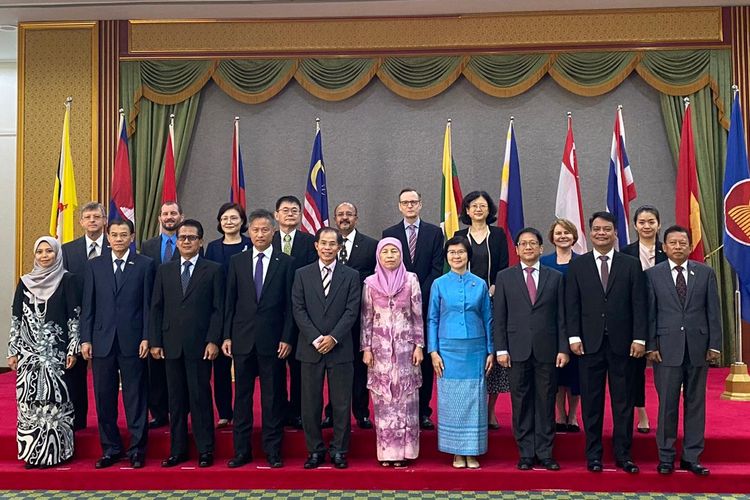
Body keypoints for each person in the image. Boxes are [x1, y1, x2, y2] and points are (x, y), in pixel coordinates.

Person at [566, 211, 647, 474]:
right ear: (590, 233)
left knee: (623, 402)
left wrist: (639, 338)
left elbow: (639, 303)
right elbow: (572, 304)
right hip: (588, 344)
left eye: (607, 229)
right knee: (592, 402)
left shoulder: (630, 264)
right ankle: (594, 456)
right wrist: (574, 336)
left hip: (624, 344)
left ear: (615, 233)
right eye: (597, 229)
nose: (601, 233)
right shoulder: (578, 265)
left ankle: (624, 455)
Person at [645, 225, 721, 476]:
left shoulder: (705, 273)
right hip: (666, 349)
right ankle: (666, 456)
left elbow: (713, 311)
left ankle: (692, 456)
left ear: (690, 247)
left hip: (698, 347)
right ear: (664, 247)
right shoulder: (652, 275)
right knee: (667, 403)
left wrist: (714, 344)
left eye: (682, 243)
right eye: (673, 243)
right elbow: (650, 314)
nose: (678, 247)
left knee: (695, 403)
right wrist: (651, 345)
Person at [223, 209, 295, 469]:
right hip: (242, 340)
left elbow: (290, 306)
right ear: (249, 232)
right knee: (241, 399)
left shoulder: (285, 262)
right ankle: (241, 451)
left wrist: (287, 338)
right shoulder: (237, 261)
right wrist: (227, 336)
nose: (260, 234)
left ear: (273, 232)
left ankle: (273, 450)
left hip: (274, 342)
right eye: (256, 230)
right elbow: (229, 303)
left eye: (265, 230)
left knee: (273, 398)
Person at [80, 218, 154, 469]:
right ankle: (110, 448)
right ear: (107, 237)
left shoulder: (145, 265)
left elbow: (148, 306)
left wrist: (147, 335)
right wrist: (86, 338)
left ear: (132, 237)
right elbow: (88, 306)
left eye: (124, 234)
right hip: (102, 341)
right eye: (114, 234)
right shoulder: (94, 266)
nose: (119, 239)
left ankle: (137, 450)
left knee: (135, 397)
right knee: (104, 398)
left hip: (134, 341)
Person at [150, 219, 224, 468]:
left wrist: (213, 340)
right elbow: (156, 308)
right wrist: (156, 341)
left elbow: (218, 309)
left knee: (200, 397)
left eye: (192, 237)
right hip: (170, 345)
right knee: (176, 399)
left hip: (200, 346)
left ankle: (205, 449)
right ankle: (178, 449)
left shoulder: (213, 269)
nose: (186, 241)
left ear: (201, 241)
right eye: (182, 237)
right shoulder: (165, 270)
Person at [494, 227, 568, 471]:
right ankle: (526, 452)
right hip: (516, 350)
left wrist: (563, 348)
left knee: (546, 400)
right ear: (516, 249)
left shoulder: (555, 277)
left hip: (547, 350)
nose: (528, 247)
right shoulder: (505, 277)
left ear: (540, 248)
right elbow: (500, 316)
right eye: (523, 243)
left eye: (532, 243)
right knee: (521, 401)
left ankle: (545, 452)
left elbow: (561, 317)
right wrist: (501, 349)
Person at [291, 227, 361, 470]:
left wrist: (333, 337)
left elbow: (352, 310)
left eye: (333, 244)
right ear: (316, 246)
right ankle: (315, 450)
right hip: (310, 348)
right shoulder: (302, 274)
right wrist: (315, 338)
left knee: (341, 403)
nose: (328, 248)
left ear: (339, 247)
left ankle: (340, 450)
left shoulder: (351, 275)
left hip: (340, 348)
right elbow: (298, 308)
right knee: (310, 403)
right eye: (324, 243)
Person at [8, 236, 80, 468]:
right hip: (28, 355)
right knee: (30, 404)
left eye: (49, 251)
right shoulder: (25, 282)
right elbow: (16, 318)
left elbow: (74, 317)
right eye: (40, 251)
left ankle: (57, 453)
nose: (44, 255)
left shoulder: (67, 280)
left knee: (55, 402)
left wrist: (73, 348)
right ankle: (33, 453)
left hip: (56, 355)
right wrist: (13, 350)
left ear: (57, 254)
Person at [427, 236, 493, 469]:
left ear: (468, 255)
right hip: (447, 350)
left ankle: (472, 451)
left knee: (475, 400)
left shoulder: (480, 284)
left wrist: (490, 350)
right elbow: (432, 318)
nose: (456, 256)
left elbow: (488, 318)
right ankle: (456, 452)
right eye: (452, 252)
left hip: (475, 349)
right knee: (450, 400)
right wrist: (433, 351)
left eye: (461, 252)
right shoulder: (439, 284)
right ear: (447, 257)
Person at [383, 188, 443, 430]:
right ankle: (399, 407)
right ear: (399, 206)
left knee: (423, 360)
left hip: (425, 304)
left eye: (414, 202)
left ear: (420, 204)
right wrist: (402, 294)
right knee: (398, 360)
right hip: (395, 308)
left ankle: (423, 411)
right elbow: (388, 267)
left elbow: (438, 267)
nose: (409, 206)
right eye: (405, 202)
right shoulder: (390, 233)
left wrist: (418, 292)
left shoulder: (434, 233)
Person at [360, 237, 424, 466]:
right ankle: (387, 453)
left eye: (394, 252)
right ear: (378, 255)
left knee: (406, 400)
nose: (389, 256)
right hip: (380, 353)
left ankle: (405, 452)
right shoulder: (370, 282)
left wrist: (419, 346)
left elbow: (417, 316)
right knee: (384, 401)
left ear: (401, 255)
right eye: (385, 251)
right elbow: (366, 318)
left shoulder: (410, 280)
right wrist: (366, 348)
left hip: (407, 351)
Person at [455, 190, 509, 430]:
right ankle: (469, 409)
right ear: (466, 210)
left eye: (483, 205)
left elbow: (503, 266)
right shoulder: (459, 235)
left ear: (489, 210)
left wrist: (495, 287)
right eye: (473, 206)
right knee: (470, 354)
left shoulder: (497, 235)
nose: (478, 209)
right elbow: (454, 265)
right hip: (464, 302)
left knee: (491, 354)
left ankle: (489, 411)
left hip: (491, 299)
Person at [323, 201, 378, 430]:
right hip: (330, 318)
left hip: (360, 316)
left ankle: (361, 412)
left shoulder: (371, 245)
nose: (345, 217)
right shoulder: (328, 245)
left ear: (357, 217)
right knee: (332, 368)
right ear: (335, 219)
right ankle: (332, 413)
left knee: (359, 366)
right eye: (340, 214)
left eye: (349, 214)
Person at [61, 201, 108, 431]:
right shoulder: (67, 251)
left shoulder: (118, 245)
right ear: (81, 222)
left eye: (96, 217)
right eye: (88, 217)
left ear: (104, 221)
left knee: (107, 377)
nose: (92, 220)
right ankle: (78, 421)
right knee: (76, 373)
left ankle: (107, 423)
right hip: (77, 321)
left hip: (110, 321)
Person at [272, 195, 317, 430]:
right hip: (273, 315)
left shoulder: (310, 242)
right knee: (276, 369)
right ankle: (279, 411)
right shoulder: (266, 241)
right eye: (285, 210)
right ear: (276, 215)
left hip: (302, 314)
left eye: (294, 210)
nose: (290, 214)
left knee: (299, 369)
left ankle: (299, 412)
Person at [621, 205, 667, 435]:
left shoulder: (668, 250)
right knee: (635, 370)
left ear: (659, 224)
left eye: (651, 221)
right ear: (635, 225)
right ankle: (641, 413)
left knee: (666, 370)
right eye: (642, 222)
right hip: (635, 317)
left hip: (665, 316)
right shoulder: (626, 252)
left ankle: (666, 413)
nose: (647, 226)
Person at [206, 202, 252, 428]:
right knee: (221, 367)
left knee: (246, 367)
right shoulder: (213, 248)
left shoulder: (250, 244)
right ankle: (225, 412)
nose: (229, 222)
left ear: (242, 221)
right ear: (219, 222)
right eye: (225, 218)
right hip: (219, 308)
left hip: (244, 311)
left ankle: (245, 413)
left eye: (234, 218)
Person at [140, 201, 185, 429]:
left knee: (178, 368)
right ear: (159, 218)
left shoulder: (189, 243)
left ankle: (180, 410)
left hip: (181, 315)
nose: (169, 217)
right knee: (155, 369)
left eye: (173, 213)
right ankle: (158, 413)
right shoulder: (147, 246)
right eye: (165, 214)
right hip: (155, 312)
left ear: (181, 217)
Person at [540, 219, 581, 433]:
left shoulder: (583, 262)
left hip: (577, 325)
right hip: (550, 323)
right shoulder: (544, 262)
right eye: (558, 233)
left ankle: (573, 415)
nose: (562, 236)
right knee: (556, 372)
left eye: (567, 232)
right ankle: (560, 414)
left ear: (574, 236)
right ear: (552, 237)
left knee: (575, 374)